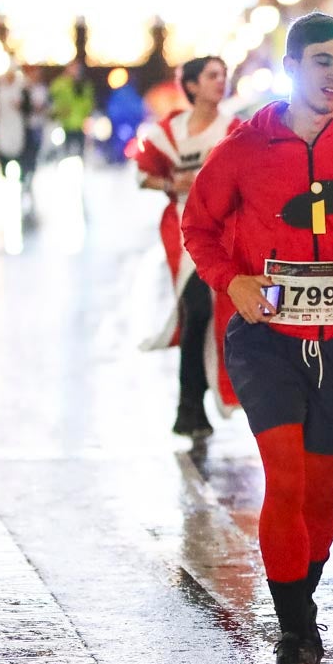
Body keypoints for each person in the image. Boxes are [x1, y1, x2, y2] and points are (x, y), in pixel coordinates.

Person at [182, 13, 333, 664]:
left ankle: (299, 601)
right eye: (322, 61)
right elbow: (200, 227)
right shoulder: (244, 148)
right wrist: (236, 281)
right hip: (266, 340)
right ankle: (293, 633)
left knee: (323, 493)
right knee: (283, 481)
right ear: (292, 67)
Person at [135, 56, 241, 439]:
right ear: (192, 86)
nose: (221, 81)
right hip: (181, 232)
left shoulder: (235, 130)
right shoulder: (169, 131)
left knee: (213, 317)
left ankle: (203, 404)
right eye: (213, 75)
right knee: (195, 311)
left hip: (224, 233)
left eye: (223, 74)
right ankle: (190, 408)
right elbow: (143, 174)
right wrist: (171, 185)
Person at [48, 61, 96, 159]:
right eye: (73, 68)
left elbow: (88, 102)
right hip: (65, 124)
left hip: (80, 125)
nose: (75, 71)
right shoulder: (60, 84)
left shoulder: (83, 85)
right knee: (64, 153)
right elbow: (53, 99)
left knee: (80, 153)